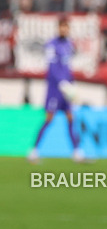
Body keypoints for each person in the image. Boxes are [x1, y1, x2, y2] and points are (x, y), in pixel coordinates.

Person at [28, 17, 84, 164]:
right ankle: (34, 151)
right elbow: (52, 68)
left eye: (66, 27)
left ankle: (76, 152)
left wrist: (71, 84)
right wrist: (61, 83)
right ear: (58, 28)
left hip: (67, 89)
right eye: (62, 27)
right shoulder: (51, 45)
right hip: (55, 89)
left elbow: (68, 68)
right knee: (49, 119)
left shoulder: (69, 45)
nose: (64, 30)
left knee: (71, 118)